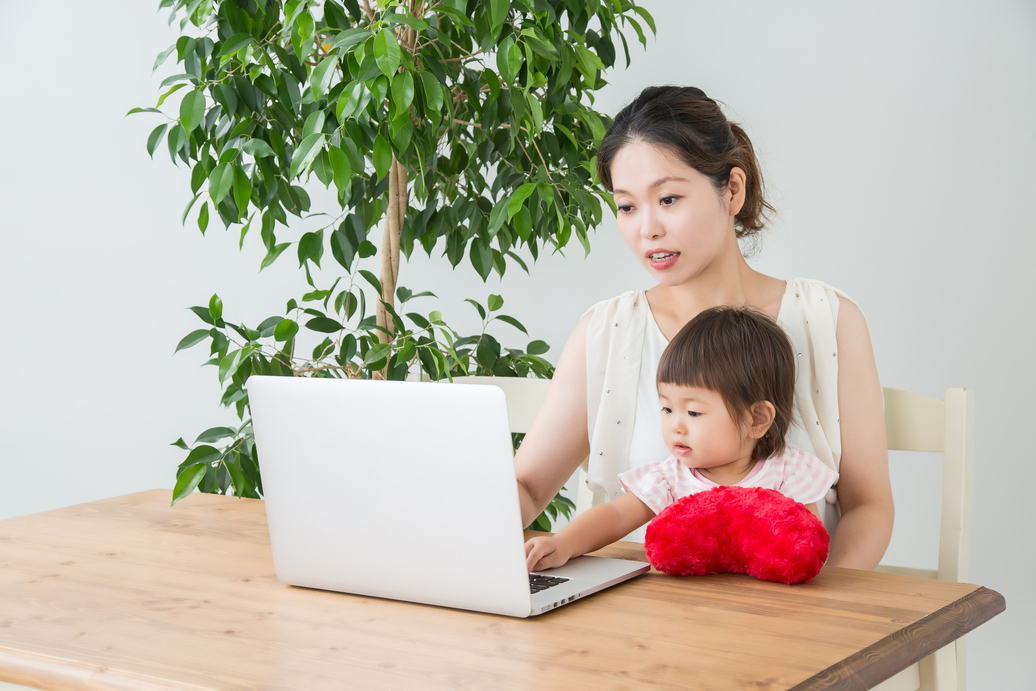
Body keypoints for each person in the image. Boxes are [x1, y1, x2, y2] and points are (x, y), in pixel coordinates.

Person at [515, 86, 893, 570]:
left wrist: (818, 614)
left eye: (668, 198)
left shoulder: (828, 319)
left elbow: (869, 505)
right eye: (626, 206)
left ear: (732, 189)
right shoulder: (606, 331)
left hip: (790, 618)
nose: (646, 229)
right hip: (633, 620)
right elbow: (526, 487)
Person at [525, 306, 838, 571]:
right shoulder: (670, 478)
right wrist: (563, 543)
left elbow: (805, 544)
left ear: (757, 419)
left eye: (693, 413)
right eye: (667, 408)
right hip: (679, 614)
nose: (675, 426)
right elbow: (617, 515)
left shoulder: (789, 472)